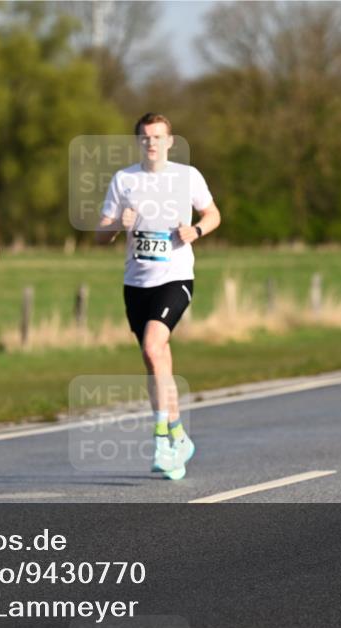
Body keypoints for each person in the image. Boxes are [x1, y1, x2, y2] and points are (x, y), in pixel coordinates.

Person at [96, 113, 221, 480]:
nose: (152, 143)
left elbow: (213, 214)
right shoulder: (124, 180)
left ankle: (161, 437)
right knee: (156, 361)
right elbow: (100, 235)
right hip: (136, 283)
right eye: (145, 137)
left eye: (158, 137)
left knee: (154, 346)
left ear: (170, 141)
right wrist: (120, 223)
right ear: (138, 143)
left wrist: (196, 230)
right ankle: (178, 435)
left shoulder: (187, 176)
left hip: (176, 278)